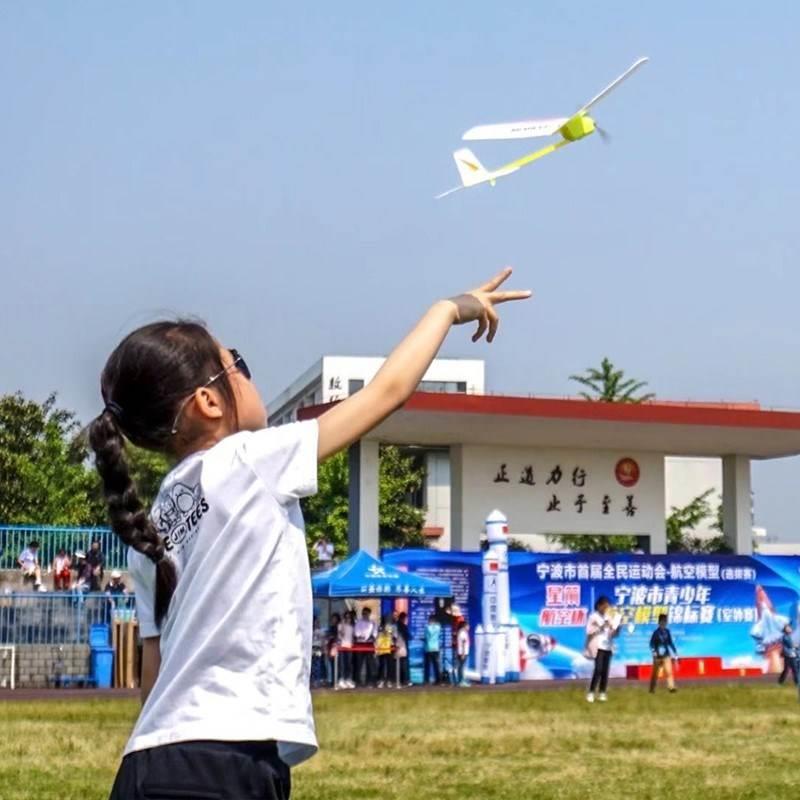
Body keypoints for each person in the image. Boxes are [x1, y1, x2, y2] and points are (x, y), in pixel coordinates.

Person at [87, 273, 527, 798]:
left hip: (147, 760)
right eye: (238, 366)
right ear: (209, 400)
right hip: (228, 757)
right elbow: (388, 392)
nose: (250, 378)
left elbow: (152, 672)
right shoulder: (251, 460)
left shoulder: (153, 521)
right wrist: (448, 309)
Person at [585, 596, 619, 703]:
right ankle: (591, 692)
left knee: (605, 671)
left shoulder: (611, 616)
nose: (606, 609)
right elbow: (589, 631)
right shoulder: (593, 617)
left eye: (608, 607)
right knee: (598, 669)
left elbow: (614, 633)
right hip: (597, 646)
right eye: (604, 607)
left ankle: (602, 692)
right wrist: (601, 626)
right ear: (599, 606)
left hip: (608, 646)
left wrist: (616, 627)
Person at [649, 613, 678, 694]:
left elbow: (670, 642)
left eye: (665, 621)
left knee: (669, 671)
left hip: (666, 655)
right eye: (662, 621)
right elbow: (651, 644)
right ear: (659, 622)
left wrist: (675, 652)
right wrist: (654, 652)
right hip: (657, 656)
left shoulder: (667, 632)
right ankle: (652, 689)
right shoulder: (656, 633)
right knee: (655, 674)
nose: (664, 623)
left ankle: (671, 687)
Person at [354, 607, 377, 687]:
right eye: (363, 614)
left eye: (366, 614)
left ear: (369, 614)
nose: (365, 615)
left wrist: (371, 638)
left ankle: (369, 681)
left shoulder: (372, 623)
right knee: (359, 664)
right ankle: (358, 681)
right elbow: (357, 633)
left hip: (369, 644)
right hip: (360, 644)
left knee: (370, 664)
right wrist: (361, 636)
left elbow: (374, 633)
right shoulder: (358, 622)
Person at [375, 615, 395, 688]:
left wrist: (388, 632)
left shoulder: (391, 627)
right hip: (381, 648)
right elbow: (378, 636)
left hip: (389, 648)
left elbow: (392, 635)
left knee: (389, 665)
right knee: (382, 665)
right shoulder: (379, 627)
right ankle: (381, 680)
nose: (387, 621)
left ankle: (389, 680)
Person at [337, 610, 355, 689]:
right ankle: (341, 679)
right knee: (342, 664)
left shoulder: (352, 626)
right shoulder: (340, 625)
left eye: (349, 617)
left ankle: (348, 679)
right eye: (346, 617)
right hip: (342, 646)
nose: (348, 619)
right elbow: (341, 634)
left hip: (349, 646)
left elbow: (353, 637)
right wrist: (343, 624)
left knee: (349, 664)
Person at [424, 613, 442, 685]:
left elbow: (426, 636)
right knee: (436, 665)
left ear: (430, 620)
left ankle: (426, 680)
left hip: (428, 648)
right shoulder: (438, 627)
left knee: (427, 665)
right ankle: (438, 680)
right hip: (436, 648)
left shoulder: (427, 627)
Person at [395, 611, 411, 687]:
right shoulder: (403, 626)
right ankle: (405, 680)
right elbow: (407, 636)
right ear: (403, 618)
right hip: (402, 646)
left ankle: (399, 680)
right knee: (404, 664)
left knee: (398, 664)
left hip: (397, 646)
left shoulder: (395, 625)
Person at [326, 613, 341, 688]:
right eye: (332, 619)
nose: (333, 620)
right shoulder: (331, 628)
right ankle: (331, 680)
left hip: (336, 647)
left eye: (335, 619)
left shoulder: (338, 627)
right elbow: (328, 637)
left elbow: (338, 637)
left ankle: (336, 680)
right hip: (330, 647)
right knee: (331, 665)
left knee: (336, 665)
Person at [311, 617, 326, 688]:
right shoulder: (311, 631)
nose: (316, 623)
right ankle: (313, 680)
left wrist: (324, 649)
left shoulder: (321, 631)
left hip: (318, 648)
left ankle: (317, 680)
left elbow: (323, 641)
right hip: (312, 647)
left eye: (317, 622)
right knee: (313, 665)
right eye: (315, 622)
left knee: (318, 664)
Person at [455, 620, 470, 687]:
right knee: (461, 667)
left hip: (460, 652)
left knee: (460, 667)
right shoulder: (463, 633)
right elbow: (463, 643)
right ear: (464, 626)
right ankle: (461, 681)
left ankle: (460, 681)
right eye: (467, 625)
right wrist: (463, 653)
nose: (468, 627)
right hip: (462, 653)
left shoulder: (460, 632)